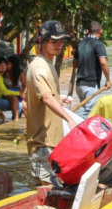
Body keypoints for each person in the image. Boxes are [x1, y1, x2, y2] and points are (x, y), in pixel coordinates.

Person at [26, 20, 79, 185]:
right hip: (42, 144)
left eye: (61, 41)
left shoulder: (48, 64)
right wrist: (70, 119)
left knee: (55, 191)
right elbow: (47, 98)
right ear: (42, 41)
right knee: (49, 192)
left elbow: (45, 96)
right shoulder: (40, 68)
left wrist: (58, 98)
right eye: (54, 41)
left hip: (51, 143)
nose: (59, 45)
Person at [74, 21, 111, 116]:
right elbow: (103, 62)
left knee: (88, 110)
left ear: (87, 31)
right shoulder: (99, 44)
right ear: (101, 31)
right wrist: (108, 80)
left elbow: (75, 64)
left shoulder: (80, 44)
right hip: (91, 85)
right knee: (89, 113)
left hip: (79, 86)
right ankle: (81, 130)